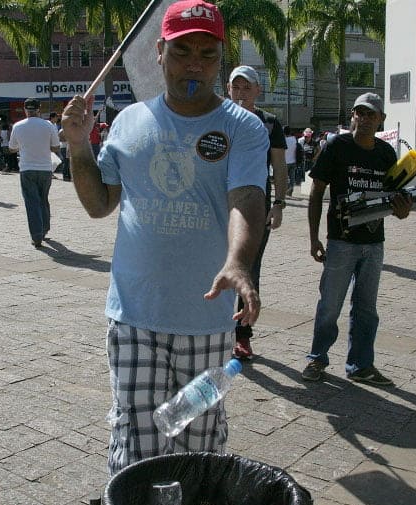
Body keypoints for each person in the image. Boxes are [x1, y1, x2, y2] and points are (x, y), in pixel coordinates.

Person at [61, 0, 268, 475]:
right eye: (182, 51)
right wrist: (78, 145)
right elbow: (98, 204)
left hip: (205, 319)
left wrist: (238, 261)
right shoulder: (130, 122)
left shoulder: (243, 128)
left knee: (199, 442)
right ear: (159, 51)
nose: (195, 63)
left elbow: (246, 199)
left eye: (207, 53)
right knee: (136, 440)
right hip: (134, 314)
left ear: (220, 55)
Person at [302, 92, 412, 387]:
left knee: (367, 309)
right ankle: (317, 358)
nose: (362, 120)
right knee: (330, 306)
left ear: (381, 121)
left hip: (374, 244)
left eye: (370, 115)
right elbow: (316, 193)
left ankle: (361, 366)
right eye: (358, 113)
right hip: (341, 242)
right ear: (352, 116)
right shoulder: (337, 146)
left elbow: (393, 199)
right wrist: (314, 239)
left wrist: (402, 210)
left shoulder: (386, 154)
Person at [226, 65, 287, 360]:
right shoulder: (219, 118)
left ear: (258, 90)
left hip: (255, 206)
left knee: (248, 269)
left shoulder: (270, 123)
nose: (241, 93)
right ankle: (213, 329)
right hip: (220, 204)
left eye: (247, 88)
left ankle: (242, 336)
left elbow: (279, 167)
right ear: (228, 90)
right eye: (236, 87)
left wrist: (279, 204)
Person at [8, 97, 61, 248]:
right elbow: (56, 147)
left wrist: (23, 146)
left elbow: (12, 148)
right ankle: (44, 229)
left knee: (32, 202)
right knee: (43, 199)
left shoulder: (18, 126)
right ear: (39, 109)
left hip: (27, 168)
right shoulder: (48, 125)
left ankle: (37, 236)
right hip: (45, 168)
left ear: (26, 110)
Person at [284, 126, 298, 195]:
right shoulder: (294, 139)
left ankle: (287, 190)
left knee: (285, 177)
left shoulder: (283, 140)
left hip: (285, 161)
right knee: (292, 177)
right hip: (293, 160)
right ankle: (291, 189)